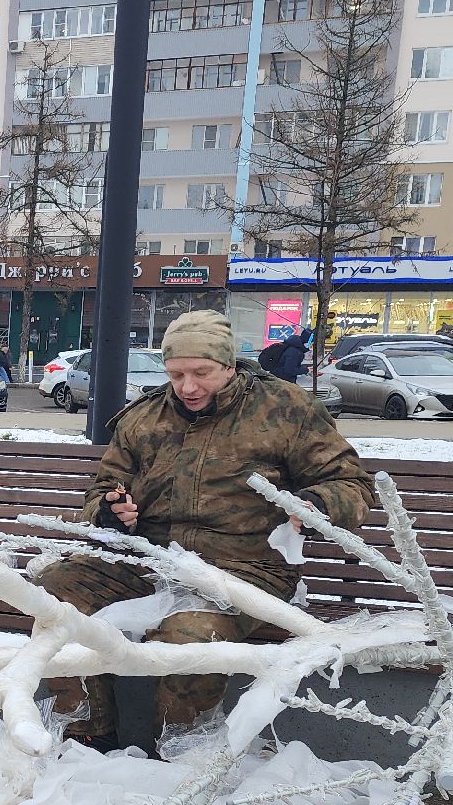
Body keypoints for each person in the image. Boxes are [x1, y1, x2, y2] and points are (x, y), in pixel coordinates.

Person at [35, 311, 376, 752]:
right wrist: (109, 510)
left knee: (189, 637)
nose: (188, 387)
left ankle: (180, 754)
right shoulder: (144, 417)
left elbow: (351, 482)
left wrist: (319, 505)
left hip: (247, 568)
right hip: (149, 558)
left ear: (230, 366)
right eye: (176, 374)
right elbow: (103, 487)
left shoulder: (286, 410)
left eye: (202, 373)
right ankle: (86, 733)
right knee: (53, 593)